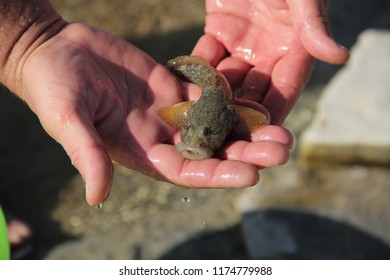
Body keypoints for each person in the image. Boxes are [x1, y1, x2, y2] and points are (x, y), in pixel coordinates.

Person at [0, 0, 348, 208]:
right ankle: (181, 67)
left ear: (232, 118)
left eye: (205, 133)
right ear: (185, 118)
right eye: (191, 131)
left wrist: (23, 41)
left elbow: (255, 119)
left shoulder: (234, 114)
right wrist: (21, 42)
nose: (192, 141)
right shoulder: (191, 119)